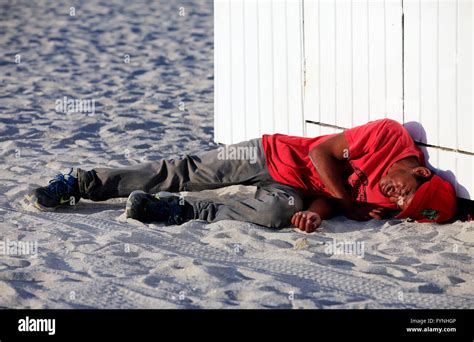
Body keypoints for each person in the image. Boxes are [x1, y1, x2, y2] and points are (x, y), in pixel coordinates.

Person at [28, 119, 457, 233]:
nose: (397, 199)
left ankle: (169, 213)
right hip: (269, 151)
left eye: (404, 208)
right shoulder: (388, 135)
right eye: (407, 194)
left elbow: (332, 202)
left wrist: (317, 215)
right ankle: (80, 184)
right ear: (420, 170)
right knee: (184, 170)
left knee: (275, 215)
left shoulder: (387, 202)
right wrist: (343, 201)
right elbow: (322, 152)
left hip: (292, 191)